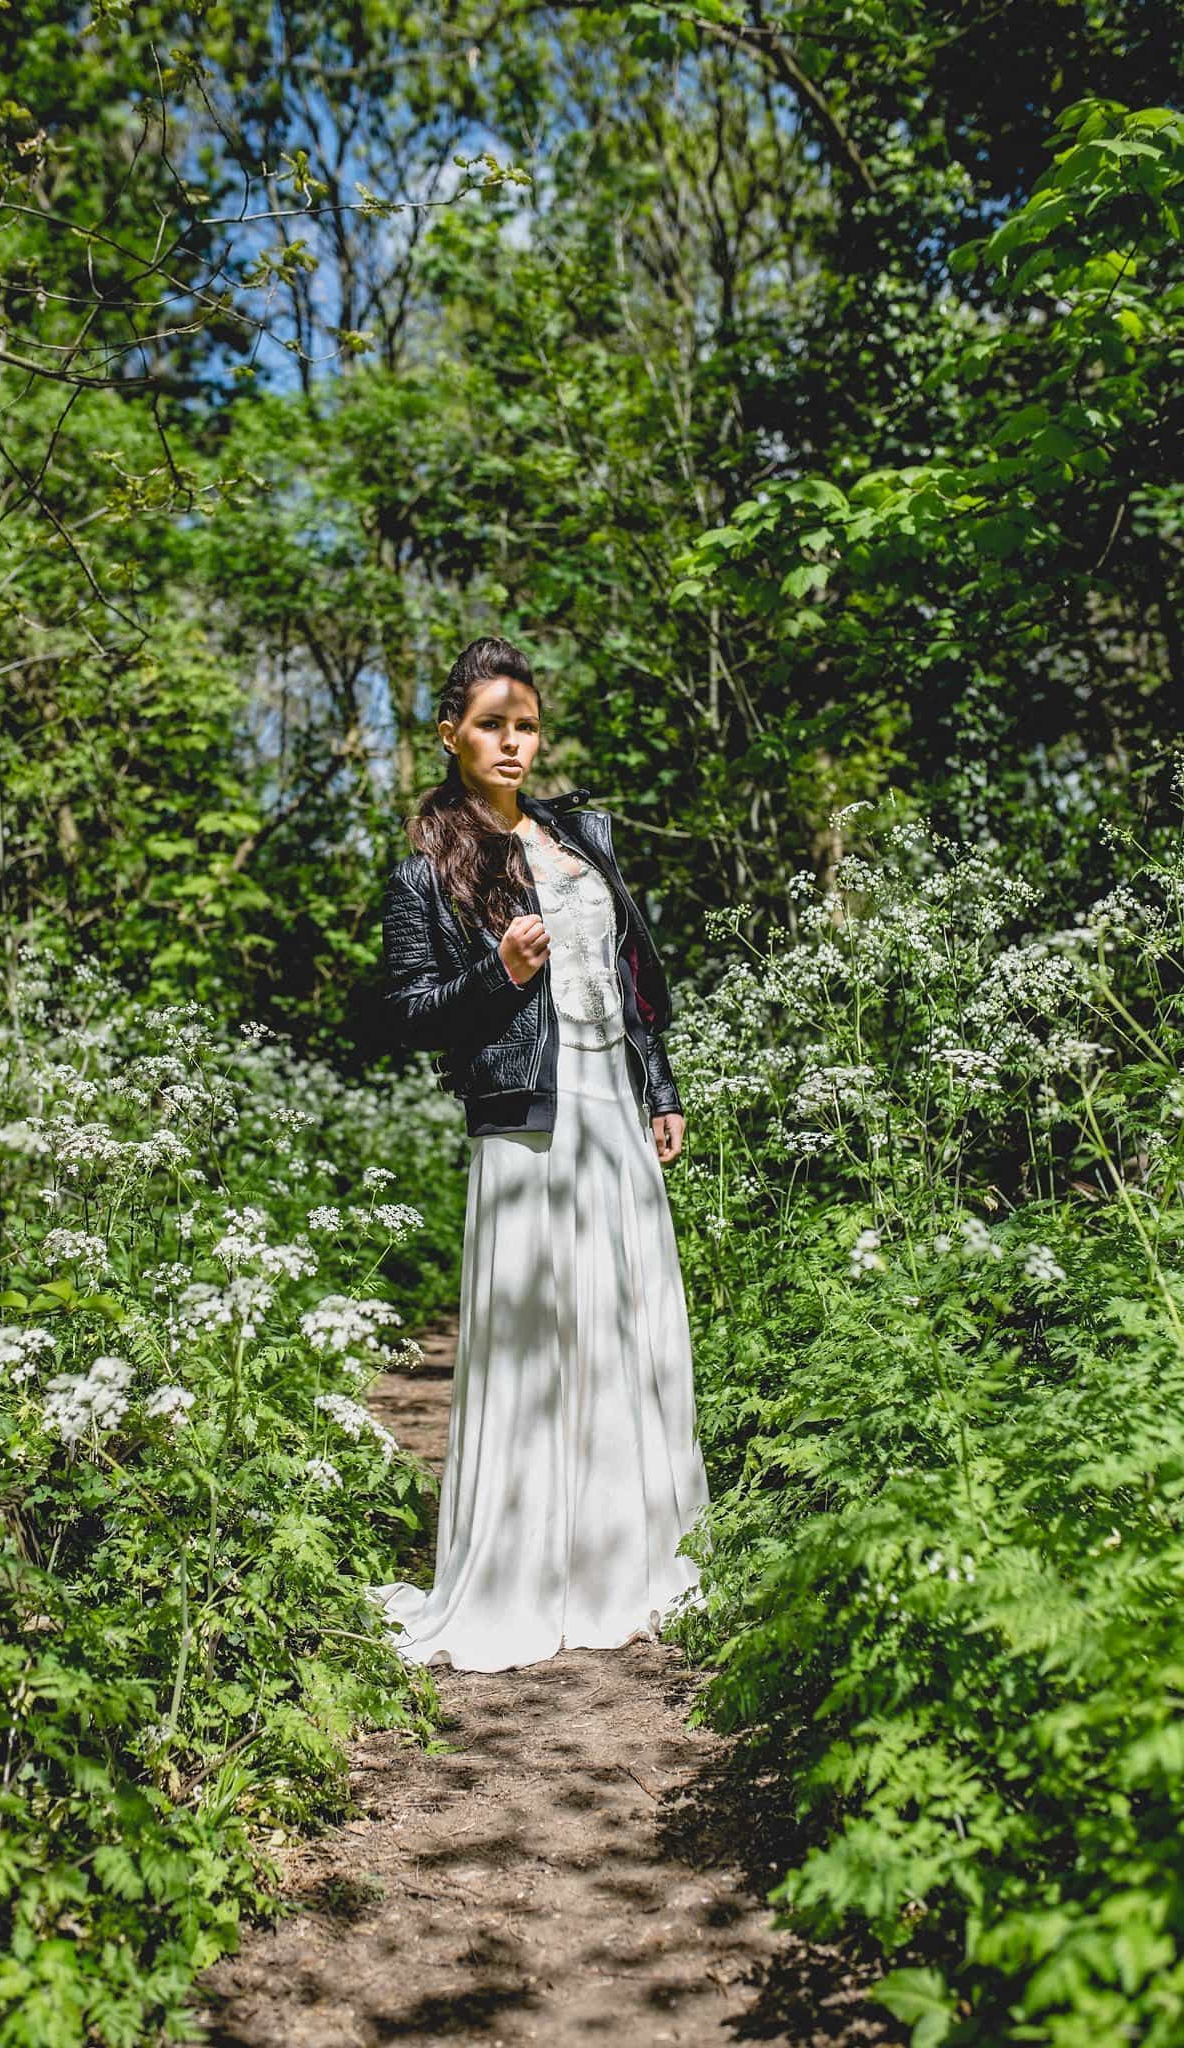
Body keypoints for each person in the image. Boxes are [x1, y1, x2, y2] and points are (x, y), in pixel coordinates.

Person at [366, 636, 710, 1672]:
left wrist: (659, 1088)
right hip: (525, 1120)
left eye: (523, 725)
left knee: (626, 1324)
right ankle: (524, 1575)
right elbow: (402, 1016)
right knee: (535, 1336)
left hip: (613, 1111)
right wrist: (500, 974)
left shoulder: (579, 839)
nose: (511, 742)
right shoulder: (426, 871)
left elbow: (630, 981)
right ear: (448, 735)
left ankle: (630, 1564)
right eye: (489, 725)